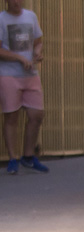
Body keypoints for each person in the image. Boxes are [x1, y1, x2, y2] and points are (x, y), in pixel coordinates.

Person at [0, 0, 47, 174]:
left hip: (30, 74)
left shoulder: (30, 16)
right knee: (11, 116)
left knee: (37, 114)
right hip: (9, 74)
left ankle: (28, 155)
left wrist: (37, 52)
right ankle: (13, 158)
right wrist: (19, 58)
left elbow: (38, 41)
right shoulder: (2, 19)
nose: (16, 2)